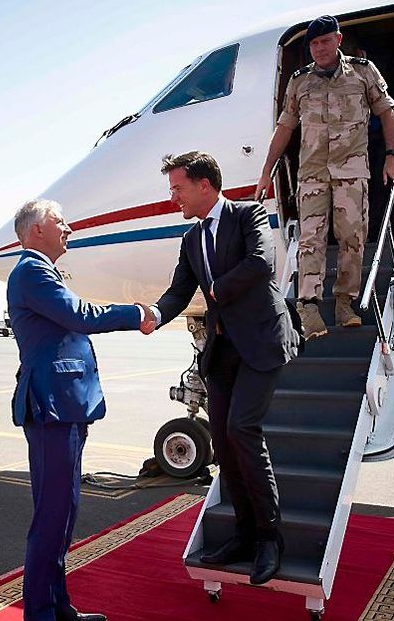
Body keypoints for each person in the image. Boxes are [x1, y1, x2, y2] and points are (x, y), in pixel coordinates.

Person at [140, 152, 300, 585]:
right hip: (223, 351)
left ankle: (271, 537)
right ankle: (244, 533)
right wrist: (154, 313)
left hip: (261, 342)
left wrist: (216, 288)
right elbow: (178, 292)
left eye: (178, 188)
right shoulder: (191, 241)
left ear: (204, 185)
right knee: (225, 447)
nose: (173, 197)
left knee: (243, 431)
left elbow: (262, 263)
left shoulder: (248, 215)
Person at [7, 199, 155, 621]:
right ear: (37, 230)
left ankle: (58, 608)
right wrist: (136, 313)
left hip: (65, 406)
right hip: (52, 406)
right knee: (51, 517)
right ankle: (40, 614)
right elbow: (79, 315)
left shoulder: (41, 271)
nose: (68, 228)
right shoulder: (31, 270)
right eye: (60, 221)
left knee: (64, 513)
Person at [254, 14, 394, 338]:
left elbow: (387, 115)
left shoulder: (363, 72)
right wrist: (266, 172)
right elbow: (285, 127)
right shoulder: (299, 81)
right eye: (314, 44)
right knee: (311, 241)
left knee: (353, 238)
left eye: (325, 41)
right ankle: (308, 306)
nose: (319, 49)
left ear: (337, 40)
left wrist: (391, 158)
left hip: (352, 171)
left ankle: (344, 303)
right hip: (312, 175)